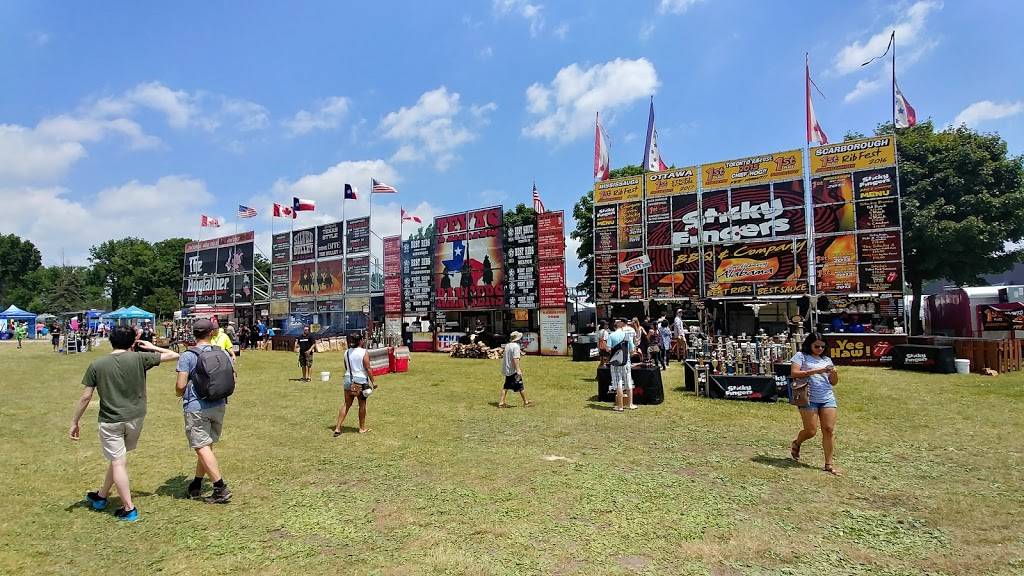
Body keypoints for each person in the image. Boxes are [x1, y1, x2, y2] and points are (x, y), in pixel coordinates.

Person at [68, 325, 179, 521]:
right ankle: (101, 496)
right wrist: (152, 346)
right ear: (133, 342)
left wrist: (75, 421)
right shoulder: (140, 358)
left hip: (111, 420)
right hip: (136, 417)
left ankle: (129, 508)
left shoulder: (97, 364)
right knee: (118, 458)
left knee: (118, 461)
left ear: (111, 340)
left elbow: (86, 397)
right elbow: (173, 354)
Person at [175, 319, 234, 503]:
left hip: (197, 407)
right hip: (218, 403)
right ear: (213, 333)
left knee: (201, 446)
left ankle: (219, 487)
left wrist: (179, 393)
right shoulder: (222, 352)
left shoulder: (188, 356)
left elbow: (180, 385)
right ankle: (197, 484)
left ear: (194, 333)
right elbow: (233, 376)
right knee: (206, 446)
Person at [790, 332, 841, 476]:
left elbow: (833, 382)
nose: (820, 349)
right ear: (809, 344)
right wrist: (818, 370)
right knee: (811, 431)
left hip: (827, 397)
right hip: (808, 397)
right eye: (816, 346)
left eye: (822, 347)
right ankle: (797, 442)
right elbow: (794, 373)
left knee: (828, 429)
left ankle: (829, 464)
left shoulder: (827, 359)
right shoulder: (801, 356)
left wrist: (834, 373)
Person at [333, 332, 377, 436]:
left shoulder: (347, 352)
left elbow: (346, 367)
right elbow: (368, 368)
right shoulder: (363, 352)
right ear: (361, 341)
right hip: (360, 380)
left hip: (348, 379)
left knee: (347, 404)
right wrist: (373, 381)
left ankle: (338, 428)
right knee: (362, 404)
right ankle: (362, 428)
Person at [606, 319, 637, 412]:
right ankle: (630, 404)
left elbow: (608, 349)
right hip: (626, 362)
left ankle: (620, 406)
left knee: (618, 383)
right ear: (622, 326)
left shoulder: (611, 336)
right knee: (628, 382)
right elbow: (632, 350)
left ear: (614, 327)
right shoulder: (626, 336)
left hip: (615, 363)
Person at [498, 331, 531, 408]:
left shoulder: (508, 345)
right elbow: (515, 359)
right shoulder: (516, 346)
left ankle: (501, 402)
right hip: (513, 370)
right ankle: (526, 402)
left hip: (507, 369)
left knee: (506, 386)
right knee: (520, 385)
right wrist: (518, 370)